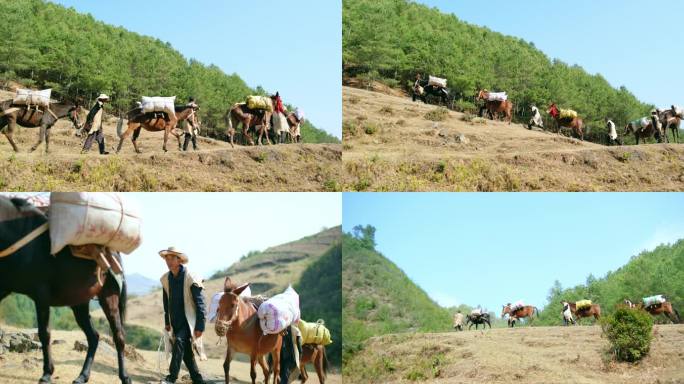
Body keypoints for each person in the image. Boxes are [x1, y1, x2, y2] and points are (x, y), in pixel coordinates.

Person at [159, 247, 206, 384]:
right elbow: (165, 302)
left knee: (179, 343)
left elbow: (200, 304)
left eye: (172, 258)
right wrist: (167, 322)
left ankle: (171, 378)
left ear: (179, 260)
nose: (168, 261)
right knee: (185, 352)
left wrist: (200, 326)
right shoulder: (166, 279)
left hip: (189, 321)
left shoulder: (191, 278)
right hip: (175, 321)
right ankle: (197, 379)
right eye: (167, 258)